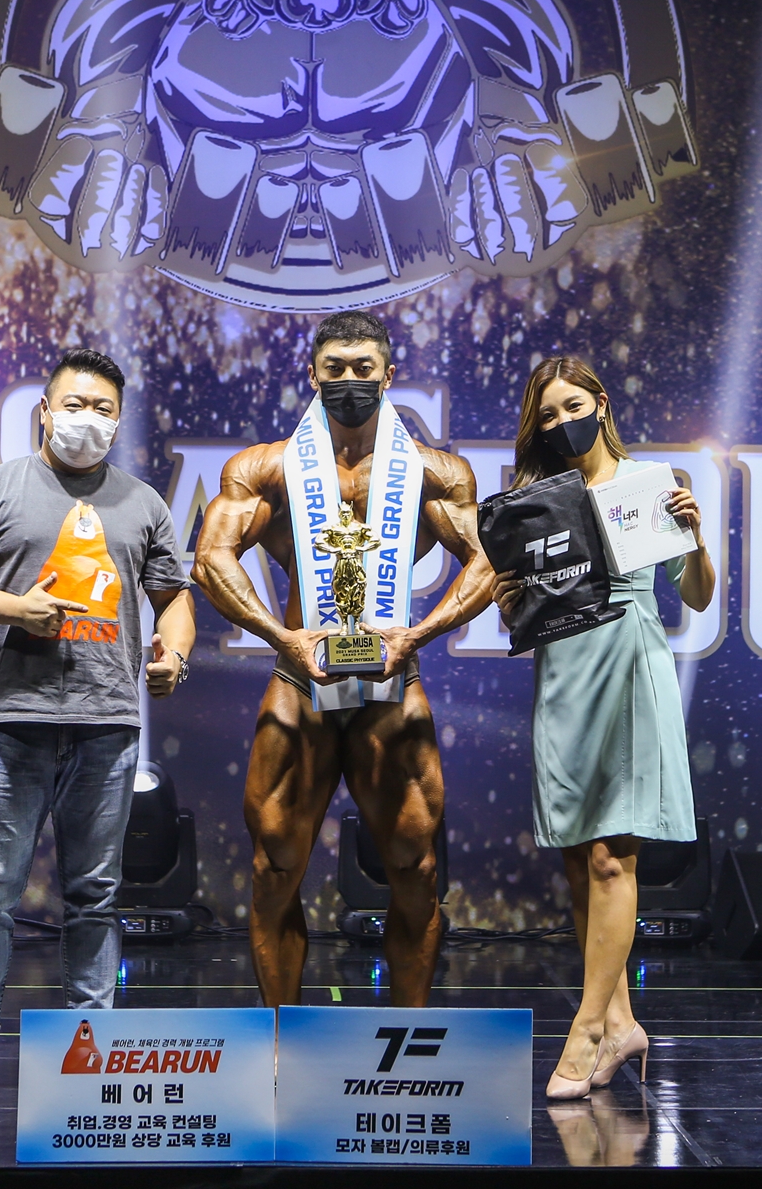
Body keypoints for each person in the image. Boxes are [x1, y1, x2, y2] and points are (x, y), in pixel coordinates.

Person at [194, 310, 495, 1006]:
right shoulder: (265, 468)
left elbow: (488, 561)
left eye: (364, 369)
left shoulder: (436, 473)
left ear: (389, 376)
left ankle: (409, 1036)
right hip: (302, 678)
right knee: (274, 868)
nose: (350, 381)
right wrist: (283, 636)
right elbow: (211, 559)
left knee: (416, 869)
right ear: (313, 374)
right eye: (335, 369)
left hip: (392, 680)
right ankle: (281, 1037)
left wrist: (419, 634)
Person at [0, 348, 195, 1096]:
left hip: (108, 722)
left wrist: (174, 653)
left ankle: (91, 1043)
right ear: (45, 411)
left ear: (119, 421)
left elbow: (174, 596)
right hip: (13, 720)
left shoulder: (143, 503)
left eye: (104, 409)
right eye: (74, 405)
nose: (87, 420)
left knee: (95, 894)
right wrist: (17, 609)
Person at [491, 356, 715, 1100]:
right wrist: (511, 598)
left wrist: (697, 537)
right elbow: (521, 610)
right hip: (563, 671)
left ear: (602, 404)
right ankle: (621, 1023)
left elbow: (698, 595)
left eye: (573, 407)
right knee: (578, 857)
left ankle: (586, 1029)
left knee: (614, 859)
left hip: (628, 662)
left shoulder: (648, 483)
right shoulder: (537, 501)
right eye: (548, 415)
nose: (563, 423)